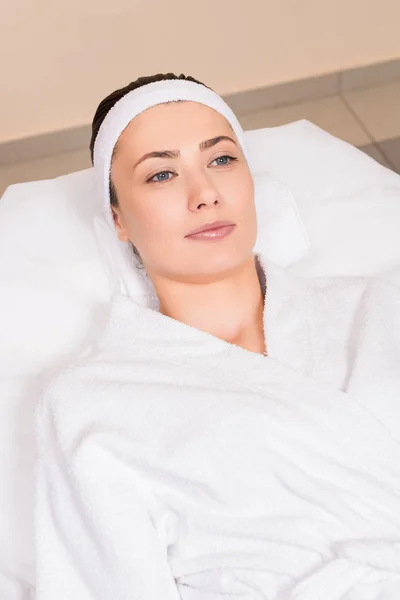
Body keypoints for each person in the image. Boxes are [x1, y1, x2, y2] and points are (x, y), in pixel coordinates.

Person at [35, 73, 400, 600]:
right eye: (161, 174)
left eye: (222, 159)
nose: (204, 194)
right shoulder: (89, 402)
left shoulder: (376, 306)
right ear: (118, 219)